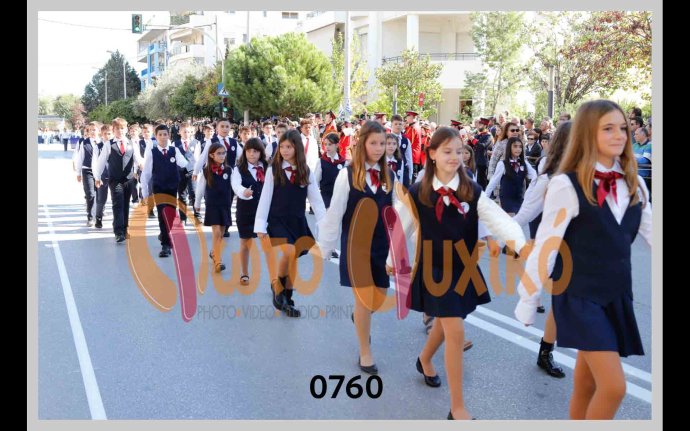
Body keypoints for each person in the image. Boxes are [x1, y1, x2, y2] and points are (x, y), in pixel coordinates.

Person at [515, 100, 652, 419]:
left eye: (623, 128)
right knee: (614, 387)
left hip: (616, 295)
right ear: (588, 134)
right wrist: (528, 298)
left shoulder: (636, 183)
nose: (620, 135)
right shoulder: (566, 184)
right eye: (608, 128)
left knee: (586, 383)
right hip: (578, 296)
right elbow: (547, 247)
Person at [394, 126, 525, 419]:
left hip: (463, 267)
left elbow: (496, 218)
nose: (455, 156)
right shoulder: (418, 191)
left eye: (458, 151)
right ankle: (457, 408)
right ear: (432, 154)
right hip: (434, 269)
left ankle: (424, 358)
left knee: (447, 321)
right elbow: (401, 225)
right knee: (455, 329)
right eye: (447, 151)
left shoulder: (471, 189)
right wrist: (394, 258)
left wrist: (520, 244)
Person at [254, 130, 326, 317]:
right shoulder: (273, 170)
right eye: (282, 147)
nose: (284, 150)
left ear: (297, 148)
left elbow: (317, 201)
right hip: (277, 220)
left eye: (289, 147)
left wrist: (325, 225)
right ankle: (277, 288)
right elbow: (265, 198)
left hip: (297, 221)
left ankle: (287, 297)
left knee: (293, 259)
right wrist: (260, 225)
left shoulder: (305, 171)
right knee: (289, 251)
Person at [141, 124, 188, 257]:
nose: (163, 137)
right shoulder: (152, 152)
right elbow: (146, 173)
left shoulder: (174, 150)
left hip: (172, 187)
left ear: (169, 136)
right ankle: (165, 245)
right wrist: (145, 193)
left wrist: (191, 166)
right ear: (156, 137)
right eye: (160, 135)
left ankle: (164, 234)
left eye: (165, 134)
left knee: (171, 215)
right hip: (159, 187)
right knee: (163, 215)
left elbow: (183, 163)